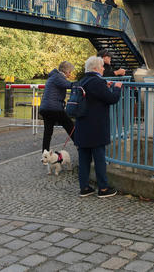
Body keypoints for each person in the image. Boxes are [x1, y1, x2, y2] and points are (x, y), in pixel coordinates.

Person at [74, 55, 122, 198]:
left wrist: (105, 86)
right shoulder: (97, 82)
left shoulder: (82, 81)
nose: (103, 69)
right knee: (99, 157)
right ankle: (103, 189)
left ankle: (84, 188)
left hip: (82, 125)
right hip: (96, 127)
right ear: (95, 68)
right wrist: (117, 88)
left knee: (83, 158)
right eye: (102, 66)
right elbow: (112, 99)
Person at [39, 61, 76, 154]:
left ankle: (45, 154)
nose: (70, 74)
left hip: (45, 108)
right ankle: (81, 147)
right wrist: (84, 83)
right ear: (66, 71)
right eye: (70, 72)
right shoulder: (58, 77)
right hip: (54, 108)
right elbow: (70, 85)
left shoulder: (53, 76)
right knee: (70, 126)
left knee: (48, 132)